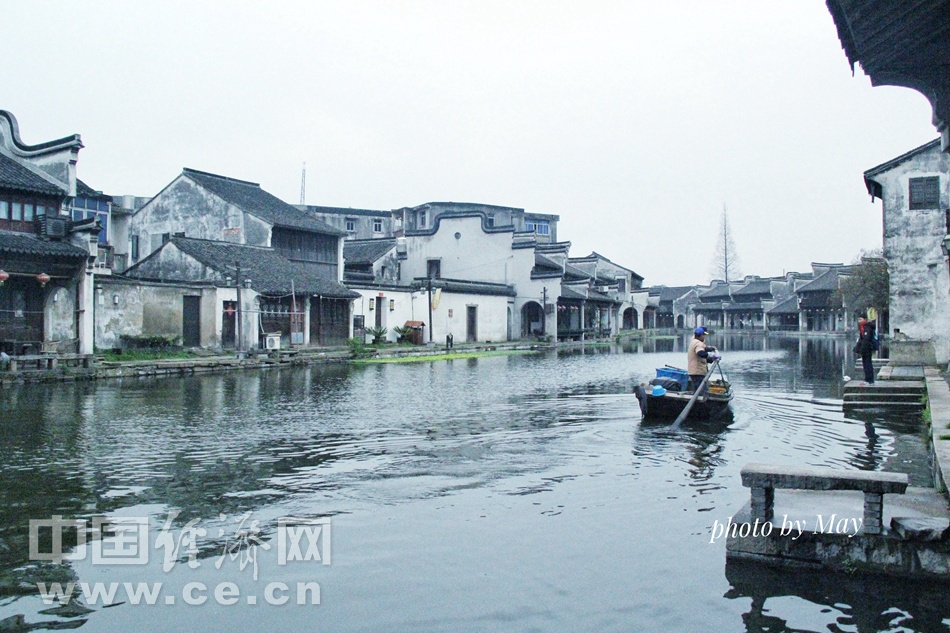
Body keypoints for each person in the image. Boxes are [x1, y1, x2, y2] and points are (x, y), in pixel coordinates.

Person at [687, 326, 720, 392]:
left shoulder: (693, 341)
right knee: (701, 391)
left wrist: (709, 351)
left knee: (698, 389)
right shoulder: (698, 343)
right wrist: (712, 356)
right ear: (700, 335)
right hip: (698, 371)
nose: (704, 337)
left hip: (694, 371)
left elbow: (702, 351)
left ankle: (697, 400)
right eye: (703, 335)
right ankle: (699, 401)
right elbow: (700, 353)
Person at [854, 316, 878, 385]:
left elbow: (866, 339)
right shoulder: (863, 327)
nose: (859, 321)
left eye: (860, 319)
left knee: (867, 363)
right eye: (858, 319)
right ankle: (867, 379)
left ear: (865, 319)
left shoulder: (867, 327)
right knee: (865, 363)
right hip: (865, 348)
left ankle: (870, 380)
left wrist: (862, 348)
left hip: (867, 348)